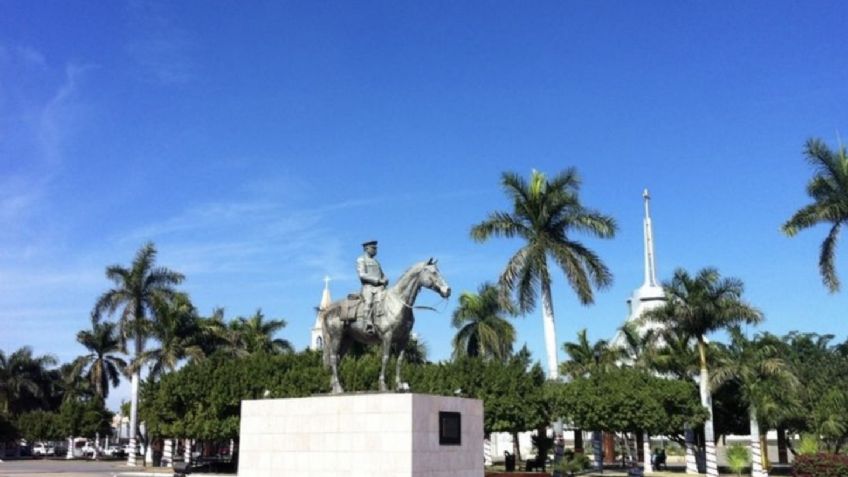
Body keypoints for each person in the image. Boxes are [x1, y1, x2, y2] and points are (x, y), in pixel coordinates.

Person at [357, 240, 387, 334]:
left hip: (380, 288)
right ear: (367, 249)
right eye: (373, 248)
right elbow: (362, 275)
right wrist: (377, 280)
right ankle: (368, 325)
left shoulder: (376, 262)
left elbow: (382, 274)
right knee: (369, 302)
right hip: (368, 287)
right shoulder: (361, 260)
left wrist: (385, 279)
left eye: (376, 248)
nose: (375, 250)